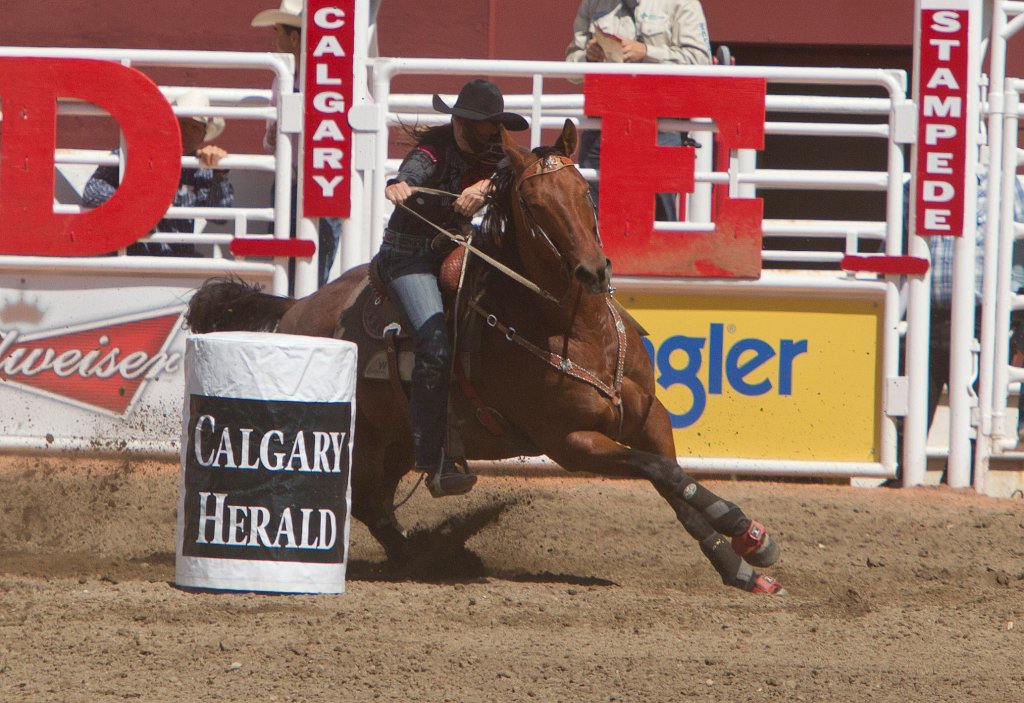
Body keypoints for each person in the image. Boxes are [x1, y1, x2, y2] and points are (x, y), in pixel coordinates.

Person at [380, 79, 529, 497]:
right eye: (464, 123)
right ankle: (432, 455)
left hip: (453, 251)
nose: (468, 131)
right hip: (407, 256)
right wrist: (399, 184)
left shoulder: (498, 156)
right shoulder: (434, 150)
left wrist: (486, 188)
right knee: (434, 342)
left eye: (479, 126)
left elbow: (518, 169)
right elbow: (412, 171)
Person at [252, 0, 383, 286]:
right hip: (300, 181)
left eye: (278, 31)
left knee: (315, 265)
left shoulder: (335, 76)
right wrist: (276, 135)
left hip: (324, 179)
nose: (274, 38)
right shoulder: (283, 80)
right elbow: (270, 141)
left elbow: (365, 119)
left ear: (294, 37)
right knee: (287, 266)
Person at [566, 0, 712, 221]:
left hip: (661, 125)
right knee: (593, 210)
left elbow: (701, 62)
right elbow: (571, 68)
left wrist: (646, 52)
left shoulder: (682, 3)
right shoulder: (593, 4)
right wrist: (588, 57)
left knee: (659, 214)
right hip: (603, 126)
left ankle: (661, 255)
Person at [83, 89, 232, 256]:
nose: (187, 132)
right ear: (168, 123)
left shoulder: (200, 166)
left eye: (194, 127)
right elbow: (92, 190)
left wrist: (218, 174)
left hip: (178, 260)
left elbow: (220, 215)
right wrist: (137, 205)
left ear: (203, 134)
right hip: (130, 257)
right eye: (182, 123)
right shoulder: (134, 151)